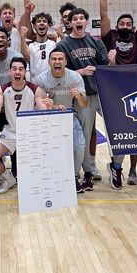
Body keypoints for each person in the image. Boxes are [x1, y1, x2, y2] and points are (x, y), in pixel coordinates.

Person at [99, 0, 137, 186]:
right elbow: (104, 14)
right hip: (113, 90)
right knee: (116, 130)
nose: (124, 26)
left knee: (134, 131)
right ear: (117, 26)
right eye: (121, 23)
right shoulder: (109, 37)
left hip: (134, 89)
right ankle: (116, 166)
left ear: (132, 27)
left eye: (127, 24)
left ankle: (131, 170)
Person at [57, 8, 115, 190]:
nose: (78, 21)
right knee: (85, 135)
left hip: (102, 94)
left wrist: (112, 61)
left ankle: (116, 167)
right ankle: (88, 170)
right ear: (70, 23)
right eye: (75, 19)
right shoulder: (63, 45)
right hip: (83, 96)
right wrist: (80, 72)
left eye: (81, 18)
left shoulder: (96, 42)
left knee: (115, 128)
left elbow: (105, 67)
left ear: (86, 21)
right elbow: (60, 71)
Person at [0, 57, 46, 194]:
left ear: (25, 72)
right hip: (11, 131)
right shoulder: (2, 89)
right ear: (10, 72)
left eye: (20, 69)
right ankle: (9, 179)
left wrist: (47, 106)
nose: (17, 72)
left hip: (30, 132)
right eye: (14, 69)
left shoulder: (34, 89)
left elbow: (41, 106)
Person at [34, 48, 89, 192]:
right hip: (48, 117)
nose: (57, 61)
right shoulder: (41, 79)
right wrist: (52, 106)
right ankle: (48, 178)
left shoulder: (75, 77)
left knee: (79, 147)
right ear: (49, 62)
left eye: (60, 59)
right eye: (54, 59)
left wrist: (78, 96)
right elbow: (38, 104)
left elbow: (84, 104)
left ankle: (73, 176)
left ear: (65, 62)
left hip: (69, 116)